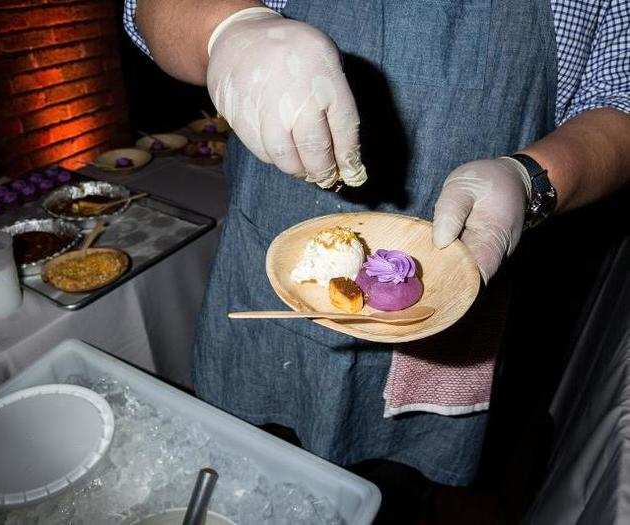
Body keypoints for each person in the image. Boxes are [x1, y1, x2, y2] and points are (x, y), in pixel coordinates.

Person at [125, 0, 629, 495]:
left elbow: (620, 104)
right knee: (243, 472)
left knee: (390, 489)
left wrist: (529, 180)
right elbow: (150, 9)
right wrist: (229, 29)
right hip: (275, 271)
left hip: (453, 296)